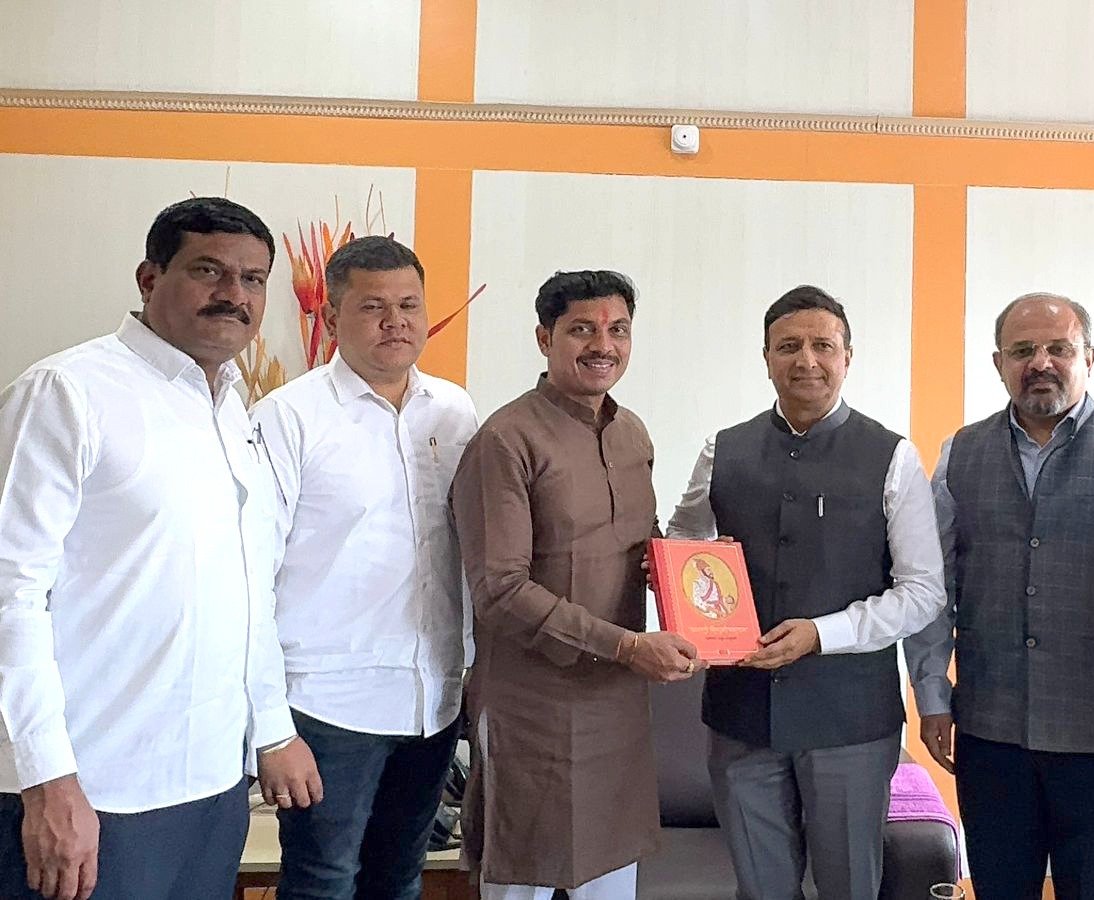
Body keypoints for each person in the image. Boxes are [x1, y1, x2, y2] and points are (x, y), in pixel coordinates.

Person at [0, 197, 301, 900]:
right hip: (94, 790)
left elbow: (249, 589)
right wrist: (46, 780)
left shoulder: (234, 409)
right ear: (148, 277)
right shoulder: (67, 392)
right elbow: (10, 593)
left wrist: (273, 731)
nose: (234, 294)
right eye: (208, 271)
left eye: (253, 279)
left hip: (213, 787)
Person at [905, 292, 1094, 900]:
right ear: (998, 363)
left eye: (1057, 349)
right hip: (989, 734)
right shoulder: (961, 453)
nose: (1040, 363)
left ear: (1088, 358)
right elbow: (933, 585)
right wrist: (932, 696)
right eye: (1022, 350)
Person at [667, 284, 945, 900]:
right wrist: (681, 582)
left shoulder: (893, 457)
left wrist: (822, 634)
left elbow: (923, 591)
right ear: (766, 357)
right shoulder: (722, 450)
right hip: (740, 714)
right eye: (788, 346)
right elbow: (685, 547)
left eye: (823, 345)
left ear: (848, 356)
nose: (806, 360)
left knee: (850, 887)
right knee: (761, 890)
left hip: (851, 720)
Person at [451, 270, 699, 900]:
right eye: (582, 329)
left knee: (611, 881)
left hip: (617, 702)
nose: (603, 345)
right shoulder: (506, 440)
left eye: (618, 330)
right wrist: (627, 646)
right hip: (531, 703)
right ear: (545, 338)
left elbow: (641, 542)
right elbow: (500, 590)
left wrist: (682, 576)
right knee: (522, 876)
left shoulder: (632, 432)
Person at [250, 236, 479, 899]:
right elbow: (252, 575)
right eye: (373, 306)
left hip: (433, 698)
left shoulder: (454, 411)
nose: (395, 321)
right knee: (322, 881)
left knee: (399, 878)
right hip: (327, 704)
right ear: (331, 315)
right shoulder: (288, 416)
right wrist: (271, 728)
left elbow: (469, 546)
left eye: (409, 305)